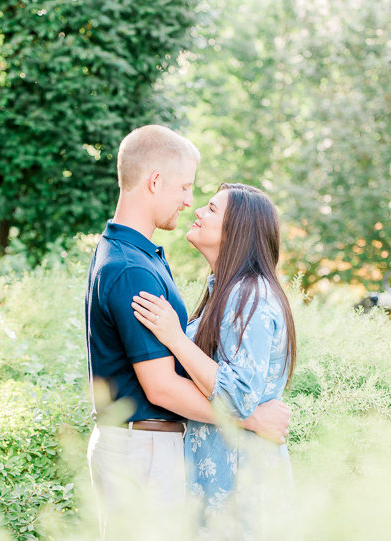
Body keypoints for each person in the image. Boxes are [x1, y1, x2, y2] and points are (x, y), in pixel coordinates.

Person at [85, 126, 290, 538]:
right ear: (155, 181)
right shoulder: (132, 267)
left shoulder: (235, 291)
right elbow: (161, 388)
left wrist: (178, 337)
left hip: (208, 467)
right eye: (185, 187)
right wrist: (251, 420)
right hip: (144, 449)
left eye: (209, 207)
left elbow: (228, 378)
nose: (190, 203)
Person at [132, 183, 297, 537]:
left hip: (241, 487)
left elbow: (236, 395)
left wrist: (175, 338)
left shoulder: (247, 295)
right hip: (218, 480)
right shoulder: (225, 289)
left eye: (210, 209)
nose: (197, 211)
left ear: (236, 229)